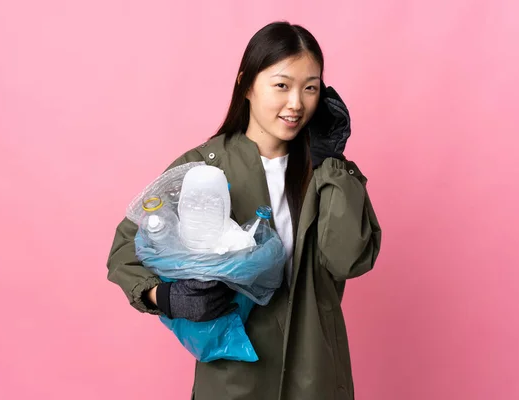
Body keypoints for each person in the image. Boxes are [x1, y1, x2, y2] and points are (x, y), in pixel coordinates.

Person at [106, 21, 381, 400]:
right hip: (234, 380)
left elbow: (349, 259)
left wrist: (332, 163)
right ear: (247, 84)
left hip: (316, 377)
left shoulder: (328, 172)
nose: (297, 103)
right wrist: (165, 297)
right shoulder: (203, 169)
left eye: (310, 87)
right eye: (282, 85)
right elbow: (126, 247)